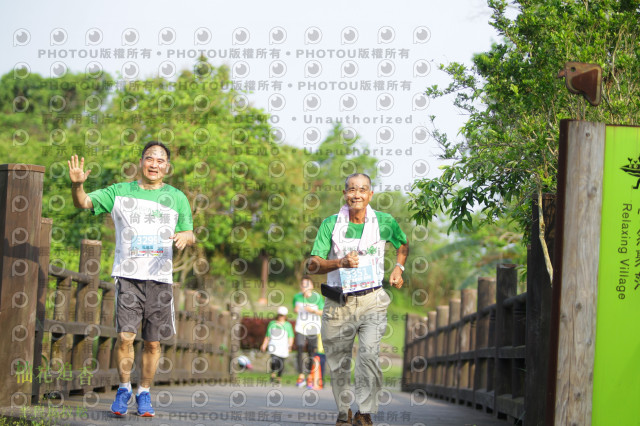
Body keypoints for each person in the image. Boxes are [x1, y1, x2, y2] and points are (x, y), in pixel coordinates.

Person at [68, 141, 194, 417]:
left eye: (160, 161)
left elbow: (189, 232)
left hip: (160, 279)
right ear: (141, 162)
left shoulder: (178, 197)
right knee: (125, 337)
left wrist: (186, 236)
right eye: (150, 158)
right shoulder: (119, 192)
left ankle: (144, 392)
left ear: (167, 167)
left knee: (153, 343)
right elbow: (84, 201)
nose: (154, 164)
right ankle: (124, 387)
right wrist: (77, 185)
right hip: (128, 276)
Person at [306, 173, 409, 426]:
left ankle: (364, 412)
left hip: (372, 299)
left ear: (370, 195)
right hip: (338, 302)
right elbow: (312, 264)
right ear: (345, 194)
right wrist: (338, 262)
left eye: (362, 190)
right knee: (338, 362)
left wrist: (398, 268)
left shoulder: (384, 221)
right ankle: (344, 412)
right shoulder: (331, 224)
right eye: (352, 190)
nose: (357, 194)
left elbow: (403, 245)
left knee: (369, 356)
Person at [292, 276, 324, 388]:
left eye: (307, 284)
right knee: (300, 347)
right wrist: (295, 309)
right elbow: (294, 309)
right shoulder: (297, 297)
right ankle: (301, 376)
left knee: (311, 351)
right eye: (302, 285)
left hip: (313, 328)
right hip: (300, 327)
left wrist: (313, 311)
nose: (304, 287)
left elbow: (322, 312)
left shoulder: (318, 298)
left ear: (311, 286)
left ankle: (310, 377)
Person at [260, 306, 294, 385]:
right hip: (274, 346)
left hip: (283, 347)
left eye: (282, 315)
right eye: (279, 315)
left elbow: (290, 337)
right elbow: (268, 336)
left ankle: (279, 378)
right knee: (274, 361)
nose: (281, 317)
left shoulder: (288, 325)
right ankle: (272, 375)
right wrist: (264, 345)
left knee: (281, 363)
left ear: (285, 316)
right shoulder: (272, 324)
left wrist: (290, 346)